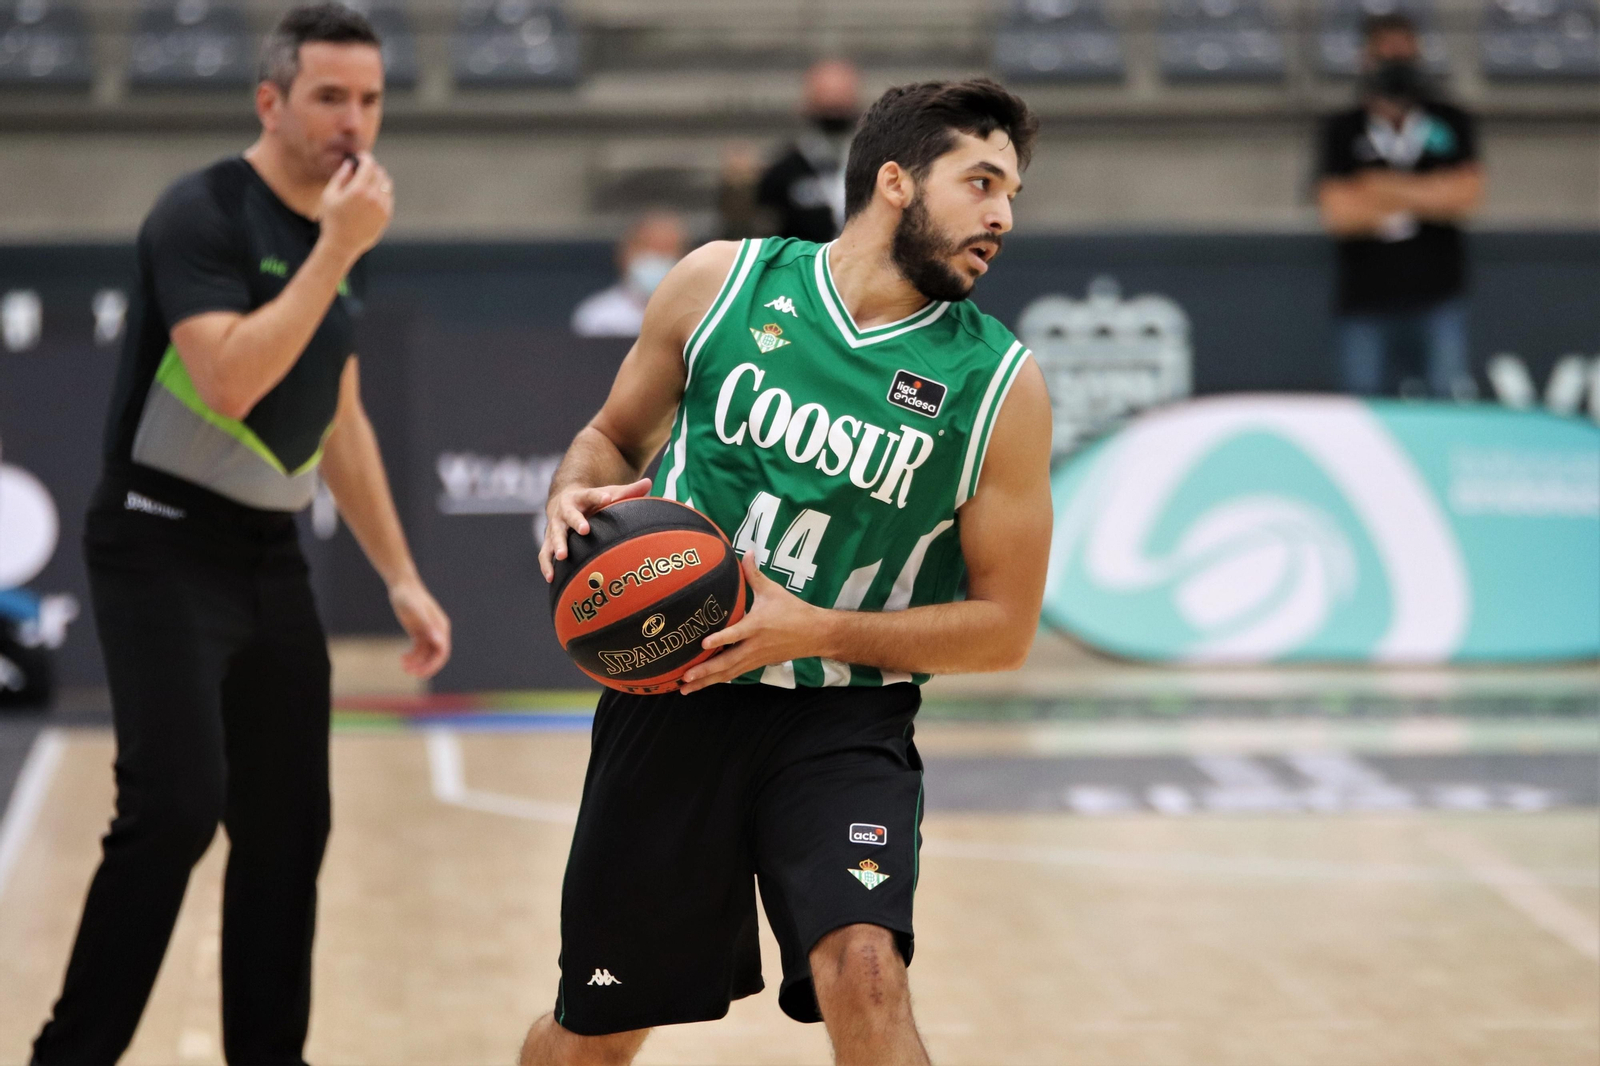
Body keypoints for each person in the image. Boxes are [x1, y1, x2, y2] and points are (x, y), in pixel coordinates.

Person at [527, 78, 1052, 1065]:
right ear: (895, 181)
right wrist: (571, 491)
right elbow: (607, 438)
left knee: (865, 969)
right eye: (979, 182)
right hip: (673, 699)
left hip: (839, 717)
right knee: (592, 1030)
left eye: (1012, 192)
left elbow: (1006, 625)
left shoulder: (998, 386)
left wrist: (815, 628)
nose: (1002, 216)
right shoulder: (719, 284)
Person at [32, 6, 451, 1063]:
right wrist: (337, 250)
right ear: (270, 101)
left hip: (268, 558)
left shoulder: (339, 231)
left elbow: (338, 410)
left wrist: (400, 573)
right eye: (328, 98)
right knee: (173, 809)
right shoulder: (204, 213)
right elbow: (228, 378)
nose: (354, 122)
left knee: (288, 828)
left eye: (370, 100)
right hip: (158, 541)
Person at [1317, 13, 1483, 399]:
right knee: (1364, 407)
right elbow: (1339, 214)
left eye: (1404, 55)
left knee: (1445, 401)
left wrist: (1380, 187)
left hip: (1438, 294)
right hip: (1365, 299)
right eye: (1386, 54)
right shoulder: (1343, 128)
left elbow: (1466, 197)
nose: (1396, 65)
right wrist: (1429, 193)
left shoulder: (1450, 121)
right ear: (1366, 59)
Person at [719, 58, 862, 242]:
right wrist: (738, 193)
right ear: (807, 102)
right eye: (825, 101)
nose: (833, 110)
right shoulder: (783, 171)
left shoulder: (874, 164)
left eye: (840, 102)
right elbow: (751, 235)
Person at [570, 211, 688, 338]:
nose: (656, 258)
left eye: (666, 249)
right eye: (647, 247)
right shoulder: (596, 316)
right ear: (624, 253)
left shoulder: (699, 318)